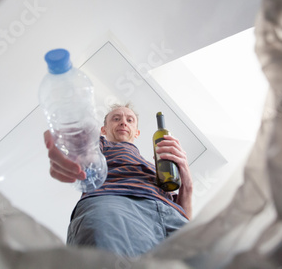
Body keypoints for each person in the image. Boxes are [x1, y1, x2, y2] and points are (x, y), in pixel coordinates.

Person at [44, 103, 193, 257]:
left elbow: (185, 215)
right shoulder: (100, 146)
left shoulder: (154, 166)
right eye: (116, 119)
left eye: (130, 120)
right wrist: (63, 140)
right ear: (104, 130)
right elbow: (79, 144)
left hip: (171, 216)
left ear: (137, 132)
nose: (123, 122)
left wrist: (187, 182)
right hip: (115, 206)